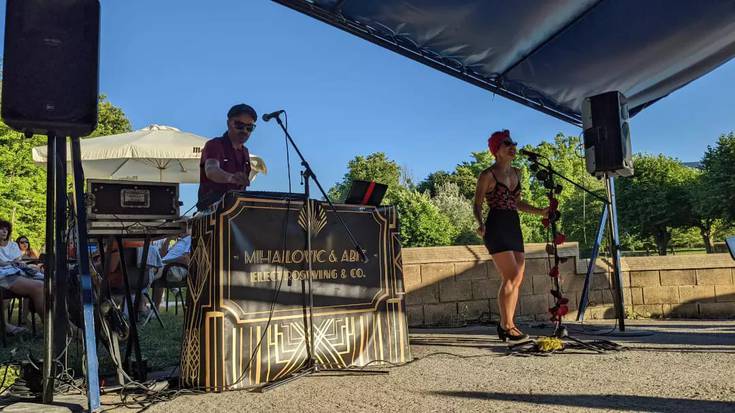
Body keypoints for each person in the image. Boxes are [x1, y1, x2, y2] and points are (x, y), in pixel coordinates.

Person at [473, 130, 548, 343]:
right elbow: (477, 204)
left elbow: (516, 202)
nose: (513, 146)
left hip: (513, 224)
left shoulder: (517, 172)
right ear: (496, 150)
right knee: (511, 275)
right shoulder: (487, 175)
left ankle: (509, 324)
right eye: (507, 143)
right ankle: (507, 326)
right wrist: (480, 224)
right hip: (496, 225)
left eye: (513, 142)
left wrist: (539, 211)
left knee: (518, 279)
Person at [197, 103, 257, 210]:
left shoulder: (245, 152)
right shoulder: (214, 144)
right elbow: (211, 170)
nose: (244, 131)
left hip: (235, 211)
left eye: (249, 128)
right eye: (239, 125)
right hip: (211, 211)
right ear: (228, 123)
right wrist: (231, 178)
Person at [0, 219, 44, 333]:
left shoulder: (13, 245)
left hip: (18, 271)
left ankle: (66, 324)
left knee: (50, 283)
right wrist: (11, 263)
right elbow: (7, 263)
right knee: (39, 287)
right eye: (1, 229)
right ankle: (54, 330)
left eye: (6, 229)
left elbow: (18, 261)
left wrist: (14, 263)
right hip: (5, 276)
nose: (4, 231)